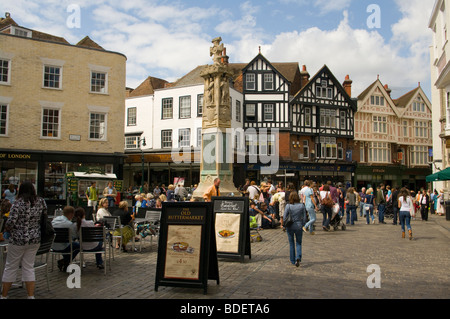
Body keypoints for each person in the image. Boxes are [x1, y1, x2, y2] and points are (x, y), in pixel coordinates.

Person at [1, 182, 46, 299]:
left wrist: (8, 229)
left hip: (18, 239)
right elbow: (44, 218)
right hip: (34, 239)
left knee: (11, 266)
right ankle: (30, 295)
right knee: (29, 267)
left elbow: (11, 222)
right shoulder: (40, 202)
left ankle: (4, 295)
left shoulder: (18, 203)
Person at [51, 206, 80, 272]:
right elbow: (74, 236)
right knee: (79, 246)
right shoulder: (69, 224)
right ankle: (65, 261)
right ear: (71, 214)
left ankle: (65, 262)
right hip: (64, 246)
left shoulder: (54, 220)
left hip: (53, 245)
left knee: (67, 243)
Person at [284, 192, 307, 267]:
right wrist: (303, 224)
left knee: (291, 243)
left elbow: (285, 217)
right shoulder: (301, 206)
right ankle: (298, 257)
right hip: (299, 225)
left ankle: (292, 260)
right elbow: (304, 217)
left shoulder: (288, 206)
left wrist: (285, 225)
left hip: (290, 226)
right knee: (298, 242)